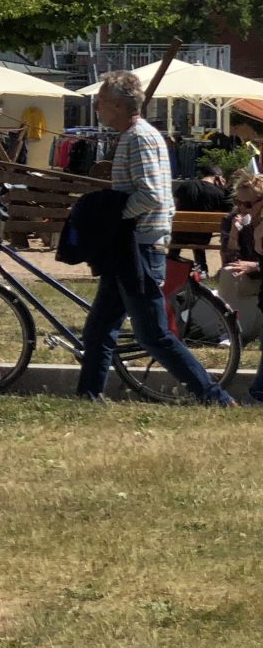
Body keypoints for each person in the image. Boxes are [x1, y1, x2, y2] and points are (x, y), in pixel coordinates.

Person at [78, 72, 235, 406]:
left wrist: (112, 217)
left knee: (153, 335)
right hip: (131, 245)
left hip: (140, 245)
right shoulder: (133, 136)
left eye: (101, 101)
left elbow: (150, 195)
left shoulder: (138, 138)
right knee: (99, 328)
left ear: (119, 105)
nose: (96, 106)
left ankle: (215, 396)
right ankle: (88, 396)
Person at [218, 172, 263, 362]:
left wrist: (256, 265)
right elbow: (228, 260)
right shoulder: (233, 220)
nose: (242, 208)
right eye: (238, 202)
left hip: (259, 272)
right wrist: (234, 236)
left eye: (248, 204)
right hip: (250, 277)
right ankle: (228, 330)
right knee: (228, 273)